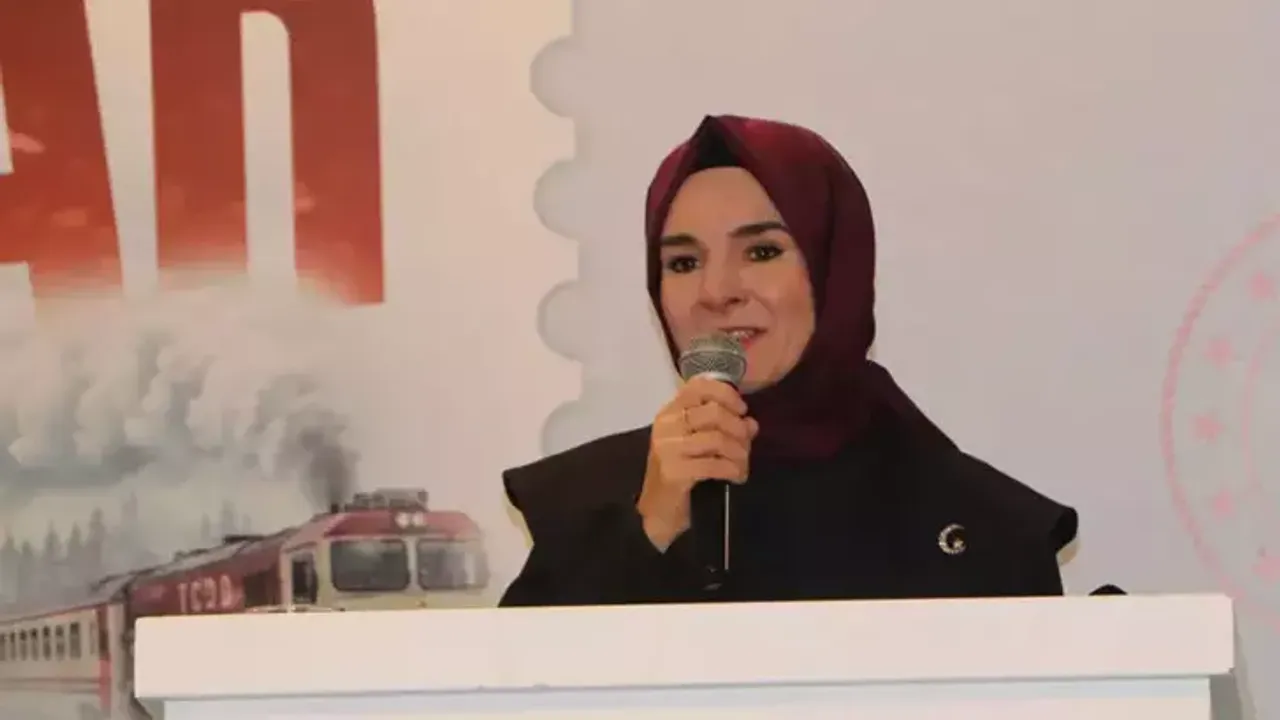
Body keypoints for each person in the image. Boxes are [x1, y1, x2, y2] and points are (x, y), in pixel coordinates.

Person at [498, 114, 1078, 607]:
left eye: (761, 251)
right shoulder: (584, 505)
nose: (716, 291)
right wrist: (647, 530)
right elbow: (521, 686)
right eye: (683, 263)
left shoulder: (974, 527)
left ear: (834, 269)